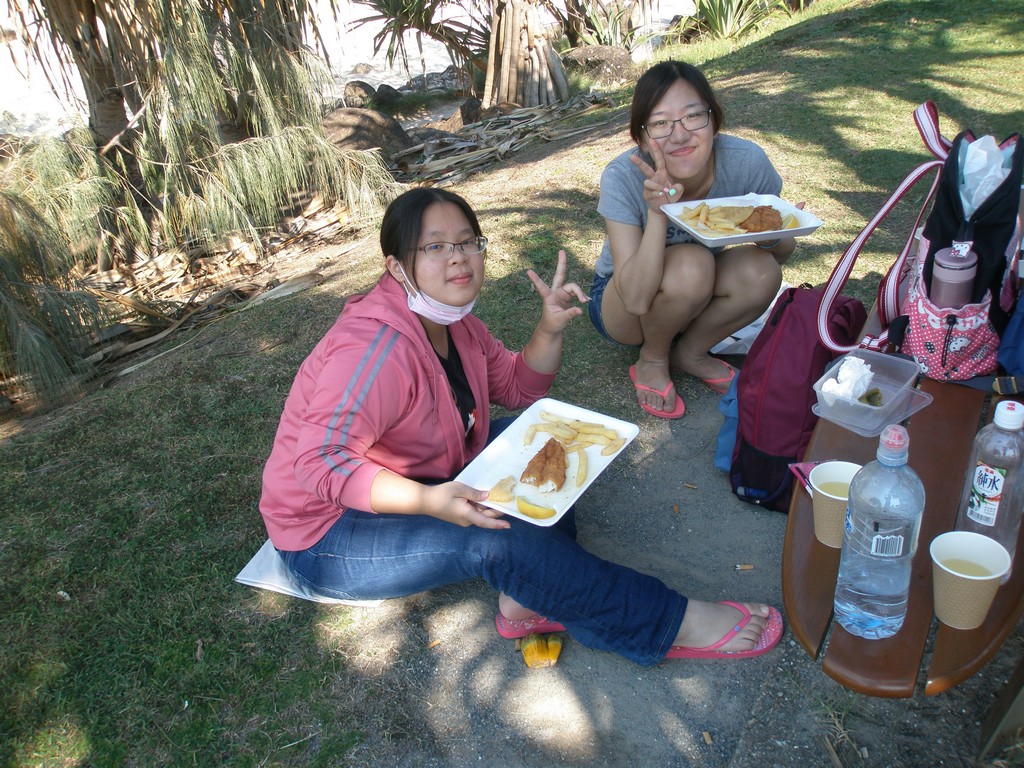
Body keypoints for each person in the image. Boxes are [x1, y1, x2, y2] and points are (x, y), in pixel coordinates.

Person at [258, 187, 783, 666]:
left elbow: (514, 388)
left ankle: (526, 598)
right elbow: (320, 463)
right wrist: (431, 502)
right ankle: (670, 622)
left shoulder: (453, 321)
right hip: (327, 536)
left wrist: (549, 328)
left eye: (468, 241)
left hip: (422, 473)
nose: (459, 256)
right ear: (397, 267)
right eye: (435, 247)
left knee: (545, 439)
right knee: (494, 542)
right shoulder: (374, 351)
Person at [589, 61, 799, 419]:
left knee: (762, 271)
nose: (680, 134)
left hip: (694, 293)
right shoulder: (622, 176)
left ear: (713, 121)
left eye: (692, 116)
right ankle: (653, 358)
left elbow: (781, 253)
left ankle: (691, 352)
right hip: (623, 307)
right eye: (660, 123)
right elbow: (636, 299)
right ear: (641, 137)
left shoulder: (746, 163)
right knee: (692, 263)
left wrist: (770, 234)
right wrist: (657, 212)